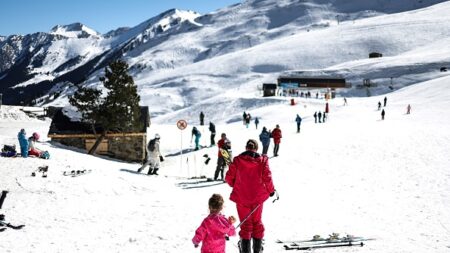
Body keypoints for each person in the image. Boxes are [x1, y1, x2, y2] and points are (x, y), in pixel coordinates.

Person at [225, 139, 276, 253]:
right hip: (257, 197)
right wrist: (271, 190)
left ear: (246, 147)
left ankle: (245, 250)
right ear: (256, 148)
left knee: (246, 224)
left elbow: (228, 178)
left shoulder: (238, 160)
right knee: (257, 223)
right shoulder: (262, 160)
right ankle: (258, 250)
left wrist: (236, 185)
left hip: (242, 197)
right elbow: (267, 177)